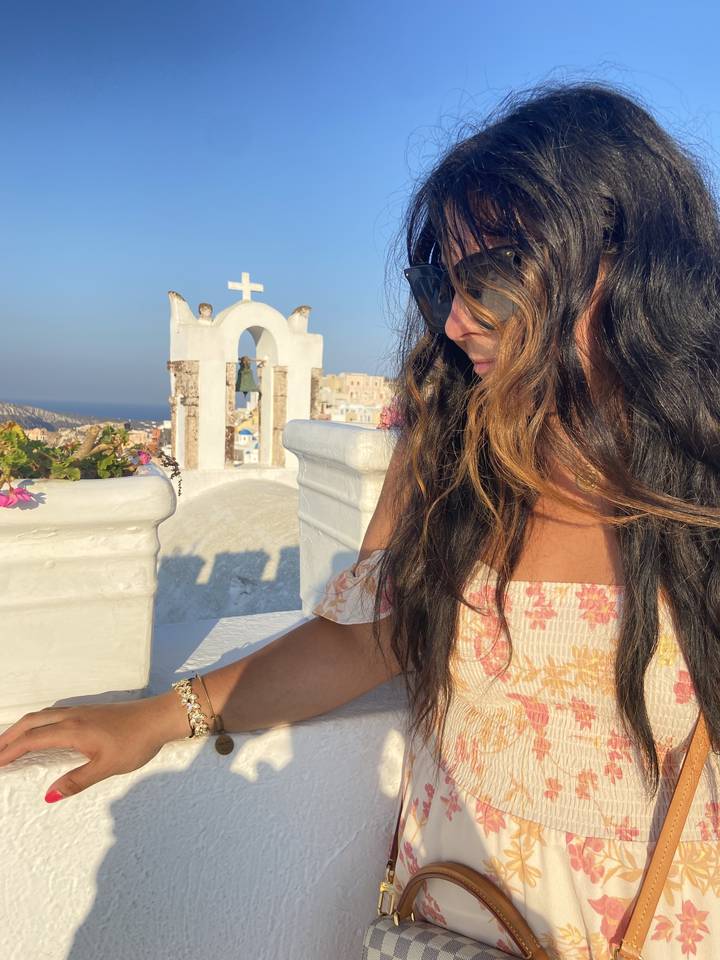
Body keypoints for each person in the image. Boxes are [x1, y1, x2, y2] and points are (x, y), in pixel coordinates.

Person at [2, 80, 720, 957]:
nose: (455, 319)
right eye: (438, 282)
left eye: (490, 277)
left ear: (625, 264)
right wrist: (161, 717)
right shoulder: (452, 452)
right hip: (449, 926)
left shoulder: (701, 484)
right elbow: (362, 638)